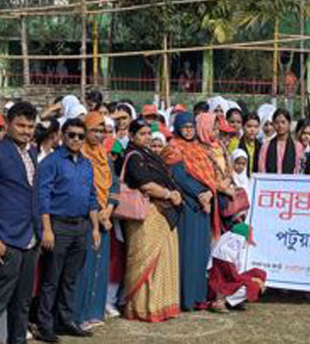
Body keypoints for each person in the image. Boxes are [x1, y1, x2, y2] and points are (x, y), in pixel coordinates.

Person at [0, 102, 41, 344]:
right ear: (7, 124)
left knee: (22, 303)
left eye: (30, 126)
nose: (26, 130)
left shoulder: (32, 153)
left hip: (30, 239)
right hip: (5, 240)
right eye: (21, 125)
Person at [33, 117, 100, 342]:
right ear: (62, 135)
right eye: (71, 135)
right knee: (51, 278)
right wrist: (47, 229)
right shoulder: (51, 162)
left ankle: (65, 320)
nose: (76, 139)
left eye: (81, 136)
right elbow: (43, 196)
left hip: (81, 225)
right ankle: (44, 324)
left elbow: (92, 197)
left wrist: (95, 228)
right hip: (58, 225)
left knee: (71, 278)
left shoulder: (86, 164)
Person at [120, 117, 183, 322]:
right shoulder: (133, 156)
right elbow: (145, 184)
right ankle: (142, 308)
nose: (147, 137)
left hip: (162, 214)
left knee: (163, 262)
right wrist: (169, 194)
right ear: (131, 136)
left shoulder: (148, 154)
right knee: (144, 261)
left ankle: (160, 305)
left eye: (149, 133)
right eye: (142, 134)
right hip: (146, 215)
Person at [162, 112, 219, 311]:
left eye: (191, 127)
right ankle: (185, 298)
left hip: (203, 208)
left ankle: (198, 297)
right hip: (187, 206)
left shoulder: (199, 149)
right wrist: (200, 193)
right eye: (184, 127)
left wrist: (209, 193)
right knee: (187, 253)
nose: (188, 131)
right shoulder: (172, 148)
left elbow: (210, 175)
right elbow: (178, 177)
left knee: (200, 254)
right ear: (177, 127)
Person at [71, 112, 118, 332]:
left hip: (105, 219)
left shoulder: (105, 156)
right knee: (84, 266)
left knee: (100, 265)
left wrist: (107, 210)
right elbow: (80, 187)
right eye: (94, 130)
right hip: (85, 219)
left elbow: (114, 186)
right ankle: (77, 314)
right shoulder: (79, 155)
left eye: (102, 130)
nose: (98, 135)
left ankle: (94, 311)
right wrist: (97, 213)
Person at [206, 223, 268, 313]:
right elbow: (234, 278)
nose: (245, 244)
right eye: (244, 241)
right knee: (253, 287)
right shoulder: (225, 255)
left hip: (228, 280)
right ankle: (221, 302)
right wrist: (253, 280)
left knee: (259, 273)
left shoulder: (229, 253)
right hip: (221, 285)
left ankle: (235, 301)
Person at [256, 109, 305, 175]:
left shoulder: (297, 146)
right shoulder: (266, 146)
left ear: (289, 123)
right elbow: (262, 169)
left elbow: (299, 169)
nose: (280, 125)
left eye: (283, 122)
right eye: (276, 122)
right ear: (273, 124)